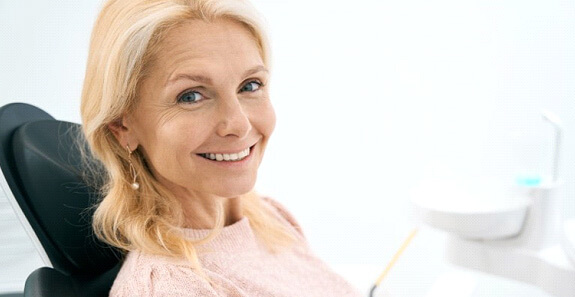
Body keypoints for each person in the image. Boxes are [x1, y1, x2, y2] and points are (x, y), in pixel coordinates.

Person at [80, 0, 363, 296]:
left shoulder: (269, 218)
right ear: (122, 126)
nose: (238, 124)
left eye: (250, 86)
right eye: (190, 96)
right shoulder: (172, 286)